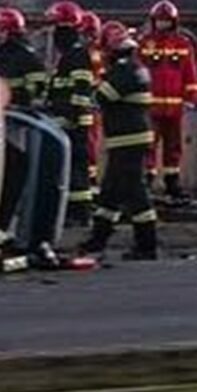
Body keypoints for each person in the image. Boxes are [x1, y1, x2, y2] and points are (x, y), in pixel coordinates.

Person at [80, 22, 158, 261]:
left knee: (135, 192)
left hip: (128, 139)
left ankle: (147, 245)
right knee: (110, 193)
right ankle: (97, 241)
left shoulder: (125, 70)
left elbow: (103, 97)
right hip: (126, 138)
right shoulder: (135, 67)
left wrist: (94, 83)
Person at [140, 0, 197, 203]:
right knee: (148, 145)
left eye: (166, 21)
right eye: (160, 21)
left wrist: (191, 98)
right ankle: (146, 181)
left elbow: (190, 73)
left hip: (175, 107)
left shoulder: (183, 44)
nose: (163, 25)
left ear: (174, 22)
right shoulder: (145, 43)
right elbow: (139, 71)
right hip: (150, 106)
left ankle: (172, 181)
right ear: (153, 21)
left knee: (173, 146)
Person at [45, 0, 97, 221]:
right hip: (66, 118)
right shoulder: (69, 55)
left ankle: (79, 213)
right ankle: (76, 210)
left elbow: (81, 88)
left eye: (58, 27)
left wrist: (72, 116)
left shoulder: (76, 54)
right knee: (73, 166)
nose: (55, 33)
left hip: (74, 121)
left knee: (76, 167)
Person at [0, 7, 48, 107]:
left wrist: (18, 97)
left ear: (9, 31)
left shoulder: (24, 56)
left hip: (19, 111)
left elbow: (38, 87)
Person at [80, 11, 104, 194]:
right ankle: (90, 179)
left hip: (90, 104)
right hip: (88, 103)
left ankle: (91, 179)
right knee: (88, 143)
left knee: (90, 143)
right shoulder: (92, 52)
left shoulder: (93, 54)